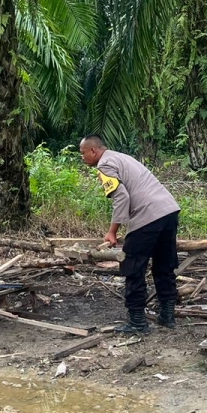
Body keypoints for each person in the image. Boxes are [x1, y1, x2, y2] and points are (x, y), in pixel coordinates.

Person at [79, 135, 181, 334]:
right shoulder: (120, 157)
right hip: (168, 211)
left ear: (93, 151)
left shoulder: (105, 165)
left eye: (83, 153)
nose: (82, 158)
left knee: (133, 267)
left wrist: (112, 232)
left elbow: (122, 197)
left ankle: (137, 322)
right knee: (164, 265)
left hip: (148, 214)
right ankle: (167, 316)